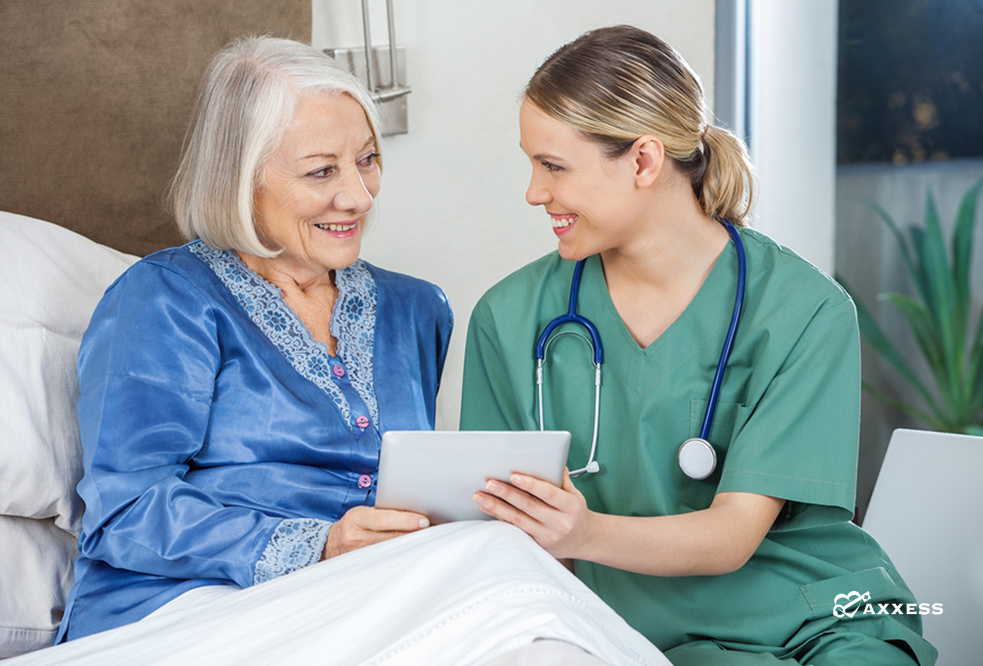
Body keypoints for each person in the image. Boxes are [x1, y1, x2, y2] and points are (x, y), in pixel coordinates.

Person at [460, 25, 937, 666]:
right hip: (636, 632)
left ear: (644, 161)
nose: (534, 192)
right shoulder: (511, 318)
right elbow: (495, 530)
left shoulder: (805, 311)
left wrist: (585, 530)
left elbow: (733, 536)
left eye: (553, 166)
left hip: (819, 618)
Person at [56, 35, 451, 642]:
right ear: (240, 177)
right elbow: (126, 512)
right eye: (322, 170)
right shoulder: (165, 300)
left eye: (367, 159)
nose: (359, 195)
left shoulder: (417, 308)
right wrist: (315, 545)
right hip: (184, 604)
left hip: (367, 593)